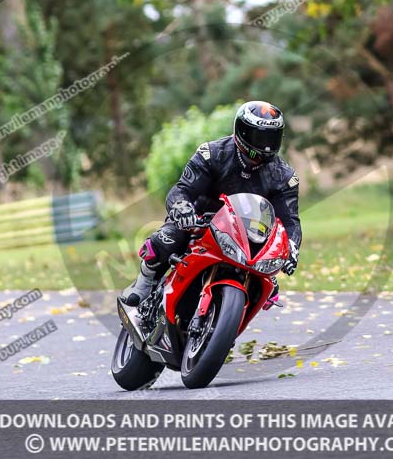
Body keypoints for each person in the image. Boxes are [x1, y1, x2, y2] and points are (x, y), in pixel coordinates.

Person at [121, 100, 301, 306]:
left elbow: (290, 221)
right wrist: (182, 208)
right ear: (241, 131)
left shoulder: (284, 177)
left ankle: (227, 323)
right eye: (259, 136)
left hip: (247, 234)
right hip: (199, 221)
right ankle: (145, 280)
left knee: (268, 288)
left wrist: (292, 248)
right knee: (167, 238)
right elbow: (182, 189)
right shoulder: (212, 153)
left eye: (272, 137)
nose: (266, 145)